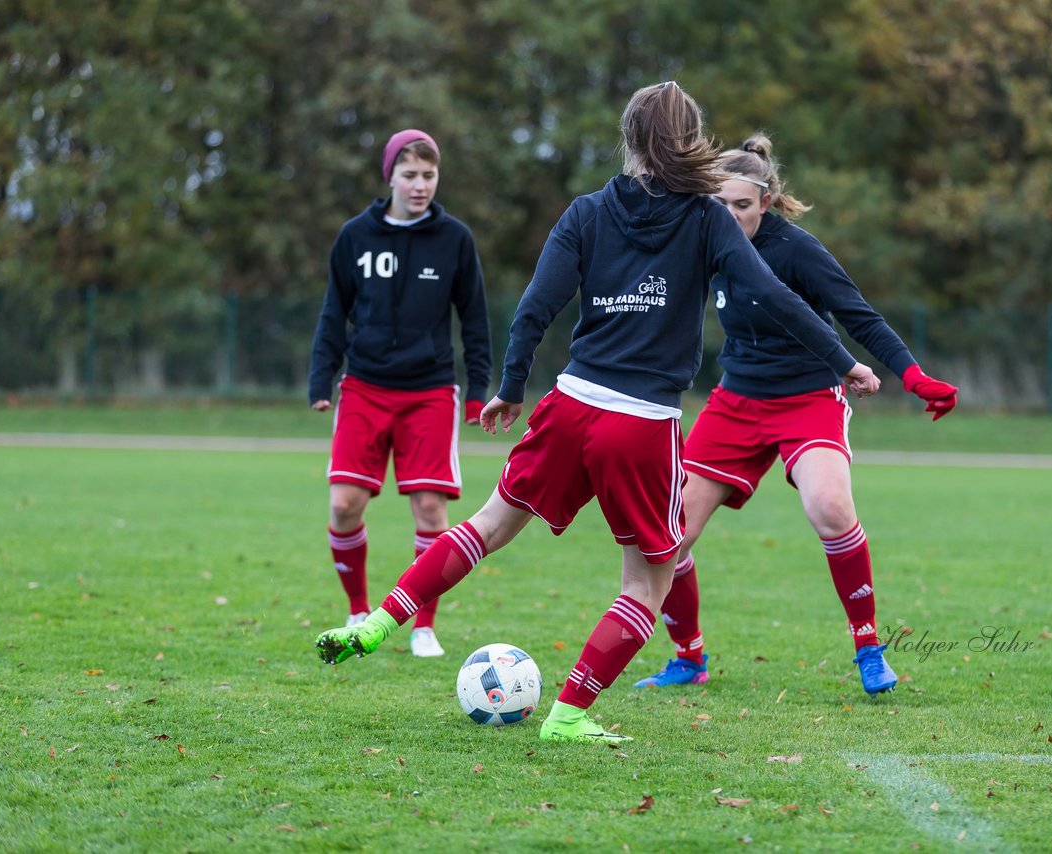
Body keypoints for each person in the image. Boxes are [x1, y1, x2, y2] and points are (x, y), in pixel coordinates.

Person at [314, 82, 879, 745]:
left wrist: (511, 386)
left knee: (488, 524)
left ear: (629, 140)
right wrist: (843, 362)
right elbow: (776, 297)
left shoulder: (587, 211)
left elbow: (536, 304)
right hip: (640, 424)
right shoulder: (706, 220)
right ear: (689, 139)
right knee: (648, 579)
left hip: (570, 403)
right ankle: (571, 712)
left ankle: (383, 618)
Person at [633, 134, 958, 697]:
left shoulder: (798, 250)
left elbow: (860, 317)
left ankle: (868, 647)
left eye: (742, 204)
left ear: (766, 201)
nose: (731, 215)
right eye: (721, 204)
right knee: (670, 534)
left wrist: (913, 375)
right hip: (735, 402)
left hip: (808, 399)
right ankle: (688, 658)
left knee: (830, 507)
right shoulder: (704, 243)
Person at [308, 128, 492, 658]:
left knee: (431, 510)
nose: (420, 185)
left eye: (429, 175)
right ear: (389, 175)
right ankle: (357, 608)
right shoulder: (354, 237)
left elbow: (474, 320)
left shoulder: (455, 239)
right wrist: (322, 378)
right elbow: (332, 314)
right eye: (409, 175)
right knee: (344, 504)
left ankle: (421, 625)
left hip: (430, 391)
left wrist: (477, 390)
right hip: (364, 387)